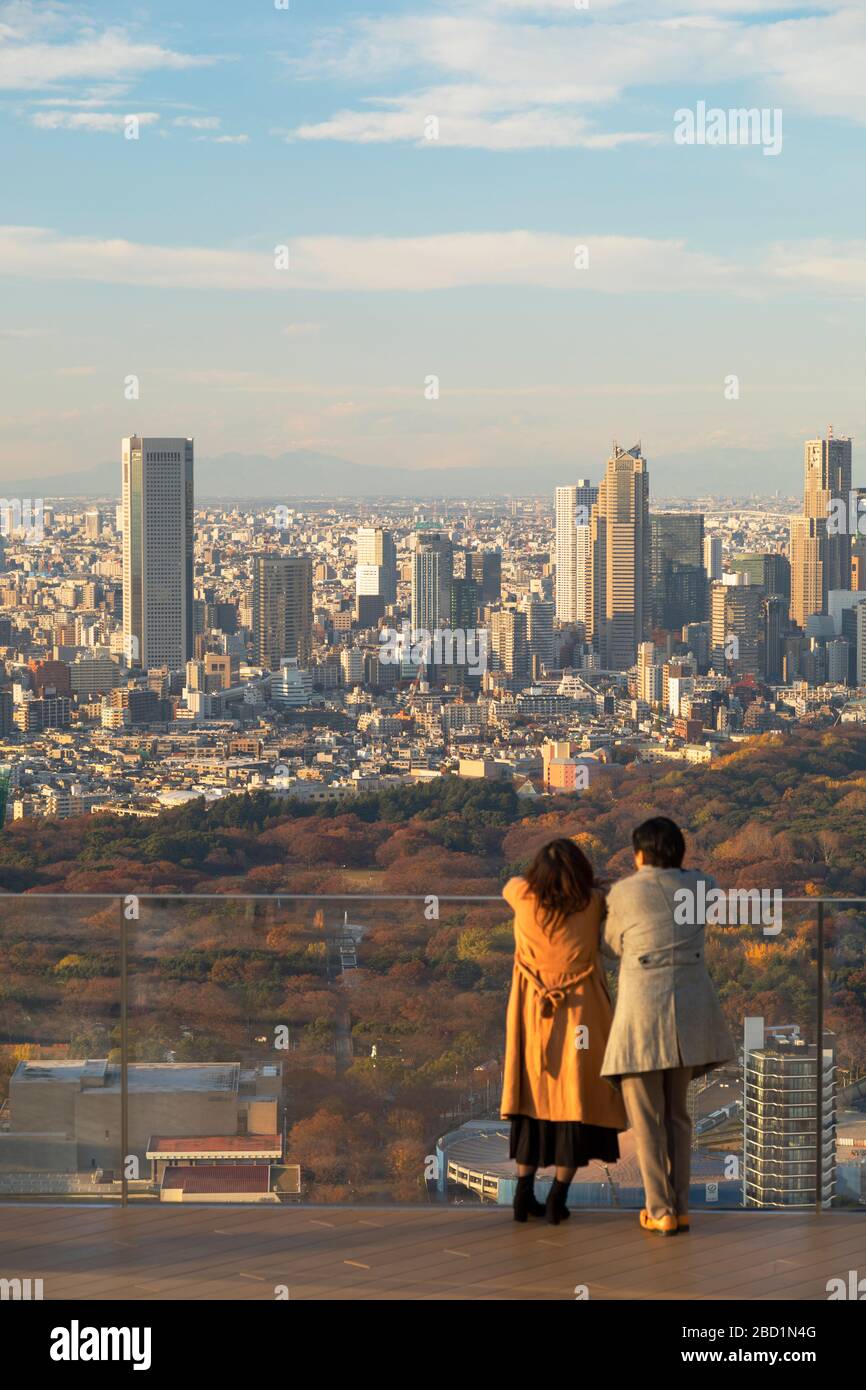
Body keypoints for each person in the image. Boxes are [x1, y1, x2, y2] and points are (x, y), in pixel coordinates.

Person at [600, 816, 735, 1235]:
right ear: (679, 852)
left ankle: (658, 1210)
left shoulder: (624, 892)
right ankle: (680, 1206)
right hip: (690, 1010)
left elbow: (610, 946)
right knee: (678, 1115)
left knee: (646, 1117)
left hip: (643, 1011)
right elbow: (706, 882)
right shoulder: (702, 886)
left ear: (640, 854)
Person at [501, 838, 627, 1224]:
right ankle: (558, 1196)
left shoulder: (523, 896)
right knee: (576, 1096)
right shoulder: (592, 904)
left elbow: (509, 885)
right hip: (580, 1010)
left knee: (533, 1097)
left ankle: (523, 1194)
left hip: (532, 1009)